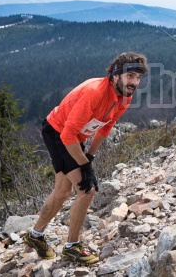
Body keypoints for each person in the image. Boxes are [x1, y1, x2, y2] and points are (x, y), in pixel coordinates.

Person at [23, 52, 148, 265]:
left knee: (63, 191)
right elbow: (67, 136)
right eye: (131, 76)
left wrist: (89, 156)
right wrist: (84, 166)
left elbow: (105, 128)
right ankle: (72, 247)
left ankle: (35, 236)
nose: (135, 82)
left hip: (73, 136)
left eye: (138, 78)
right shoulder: (95, 93)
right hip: (59, 132)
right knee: (86, 190)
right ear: (116, 74)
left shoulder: (124, 97)